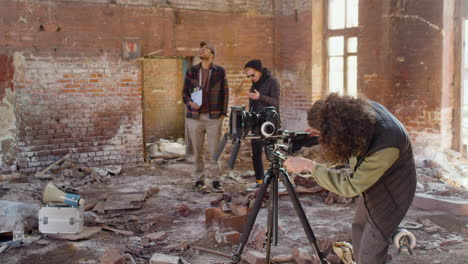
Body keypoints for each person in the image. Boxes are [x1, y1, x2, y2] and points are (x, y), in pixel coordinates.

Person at [284, 93, 416, 263]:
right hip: (373, 180)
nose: (320, 138)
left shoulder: (387, 144)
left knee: (372, 244)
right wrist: (319, 131)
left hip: (393, 191)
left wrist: (309, 166)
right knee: (359, 228)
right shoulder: (358, 115)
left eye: (322, 134)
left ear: (337, 132)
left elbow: (350, 187)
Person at [182, 41, 229, 192]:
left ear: (212, 55)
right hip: (194, 117)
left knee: (215, 151)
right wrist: (190, 102)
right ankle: (199, 179)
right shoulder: (192, 71)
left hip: (213, 117)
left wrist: (222, 114)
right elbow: (184, 93)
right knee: (197, 151)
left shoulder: (220, 71)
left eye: (206, 49)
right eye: (201, 48)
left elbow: (225, 93)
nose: (202, 50)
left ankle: (216, 180)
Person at [243, 60, 280, 191]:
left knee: (272, 152)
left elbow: (275, 102)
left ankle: (278, 181)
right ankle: (259, 181)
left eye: (252, 75)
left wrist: (260, 97)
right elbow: (252, 105)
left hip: (270, 122)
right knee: (256, 153)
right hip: (256, 123)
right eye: (248, 76)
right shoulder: (253, 86)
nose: (251, 78)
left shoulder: (272, 81)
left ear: (259, 71)